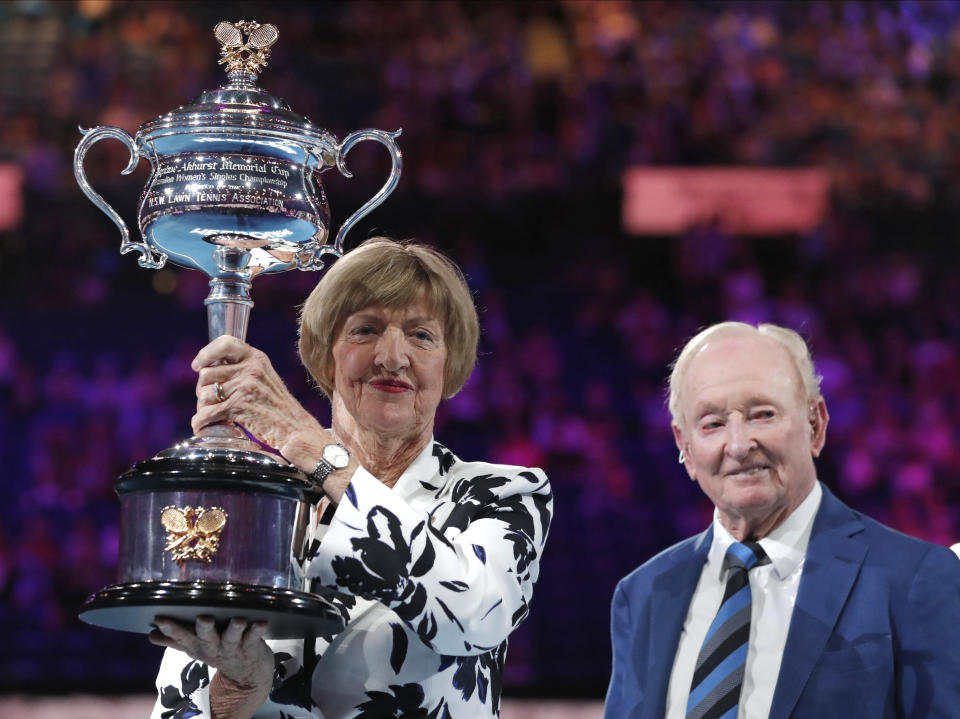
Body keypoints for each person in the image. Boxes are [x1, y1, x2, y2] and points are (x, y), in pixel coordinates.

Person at [149, 238, 553, 719]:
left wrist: (310, 446)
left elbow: (474, 615)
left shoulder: (501, 494)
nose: (392, 356)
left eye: (422, 336)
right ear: (325, 355)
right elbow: (175, 707)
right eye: (365, 330)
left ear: (451, 366)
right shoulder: (257, 502)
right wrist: (236, 690)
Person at [605, 321, 960, 719]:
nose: (738, 445)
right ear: (684, 446)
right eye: (713, 424)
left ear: (816, 425)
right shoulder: (642, 595)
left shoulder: (916, 579)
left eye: (762, 414)